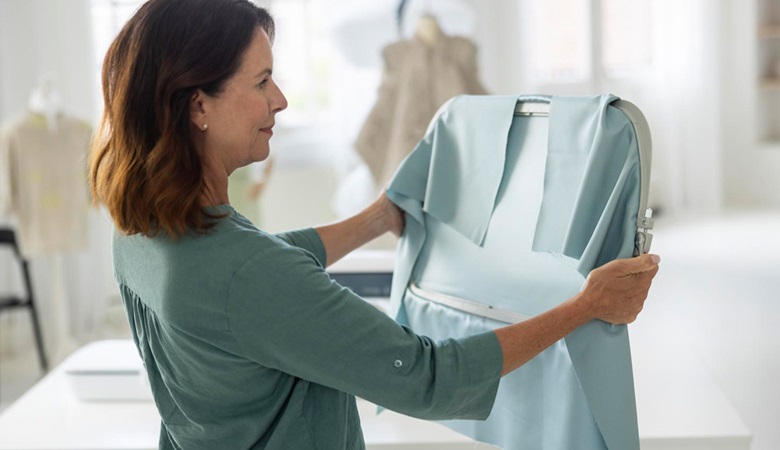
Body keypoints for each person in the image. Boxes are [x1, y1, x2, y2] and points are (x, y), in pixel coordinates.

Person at [88, 1, 661, 449]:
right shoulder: (247, 275)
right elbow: (428, 376)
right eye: (262, 82)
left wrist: (374, 219)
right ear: (198, 107)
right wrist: (586, 306)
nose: (281, 100)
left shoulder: (139, 232)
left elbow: (257, 271)